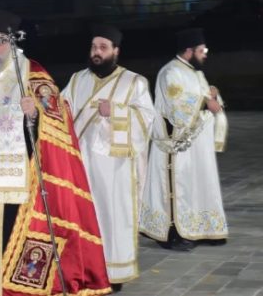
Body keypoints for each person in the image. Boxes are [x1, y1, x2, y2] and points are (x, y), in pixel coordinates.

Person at [0, 9, 111, 296]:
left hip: (11, 188)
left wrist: (35, 115)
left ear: (12, 42)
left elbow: (58, 122)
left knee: (4, 250)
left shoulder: (32, 73)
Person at [61, 24, 156, 292]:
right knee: (83, 216)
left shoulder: (134, 82)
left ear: (116, 51)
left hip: (115, 168)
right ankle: (84, 269)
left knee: (112, 216)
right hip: (80, 164)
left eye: (103, 47)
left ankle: (113, 272)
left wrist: (115, 112)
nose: (97, 52)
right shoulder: (77, 80)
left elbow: (148, 120)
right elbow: (60, 110)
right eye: (94, 47)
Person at [139, 27, 229, 251]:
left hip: (197, 144)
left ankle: (203, 228)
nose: (205, 54)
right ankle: (171, 234)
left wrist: (211, 94)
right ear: (189, 51)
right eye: (202, 50)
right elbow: (176, 105)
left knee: (199, 183)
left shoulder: (196, 72)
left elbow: (202, 95)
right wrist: (204, 102)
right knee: (178, 187)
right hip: (175, 143)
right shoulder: (170, 72)